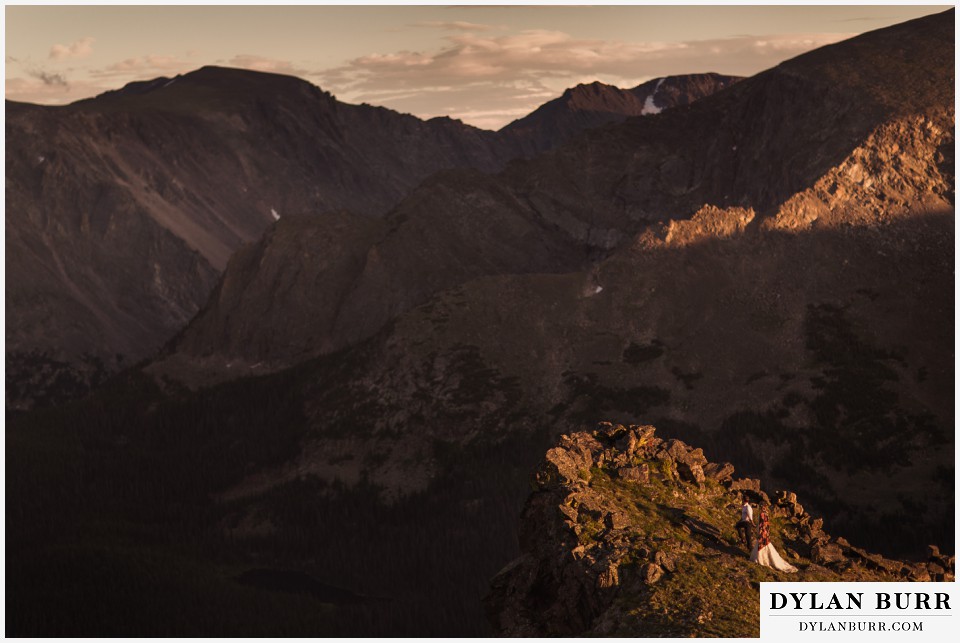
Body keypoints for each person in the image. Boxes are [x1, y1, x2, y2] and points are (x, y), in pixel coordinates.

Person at [750, 505, 798, 573]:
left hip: (763, 533)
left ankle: (760, 559)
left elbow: (761, 525)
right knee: (765, 546)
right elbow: (767, 525)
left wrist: (760, 532)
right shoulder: (767, 514)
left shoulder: (762, 514)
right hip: (766, 533)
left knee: (761, 545)